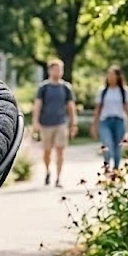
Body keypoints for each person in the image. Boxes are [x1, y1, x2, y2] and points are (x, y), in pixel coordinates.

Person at [31, 59, 77, 188]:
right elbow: (38, 105)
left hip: (61, 123)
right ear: (50, 71)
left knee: (60, 150)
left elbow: (70, 106)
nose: (59, 72)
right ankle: (47, 172)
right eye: (56, 69)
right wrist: (35, 121)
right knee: (47, 151)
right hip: (46, 123)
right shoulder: (44, 88)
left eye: (60, 69)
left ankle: (58, 178)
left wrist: (73, 123)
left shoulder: (66, 88)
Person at [91, 65, 128, 170]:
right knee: (107, 144)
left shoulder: (124, 91)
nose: (110, 76)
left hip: (119, 121)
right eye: (108, 74)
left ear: (118, 76)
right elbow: (98, 110)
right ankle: (107, 166)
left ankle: (116, 169)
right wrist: (94, 125)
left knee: (117, 147)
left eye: (112, 74)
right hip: (105, 121)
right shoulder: (103, 91)